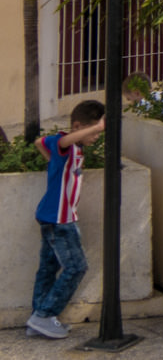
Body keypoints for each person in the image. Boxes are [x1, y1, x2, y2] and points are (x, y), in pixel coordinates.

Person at [28, 99, 106, 339]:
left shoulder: (72, 150)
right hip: (60, 220)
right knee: (77, 267)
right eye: (91, 131)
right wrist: (98, 127)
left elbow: (39, 142)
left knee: (48, 268)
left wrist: (52, 163)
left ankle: (38, 318)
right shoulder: (65, 144)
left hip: (56, 217)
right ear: (77, 126)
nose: (95, 137)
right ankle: (43, 315)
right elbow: (46, 141)